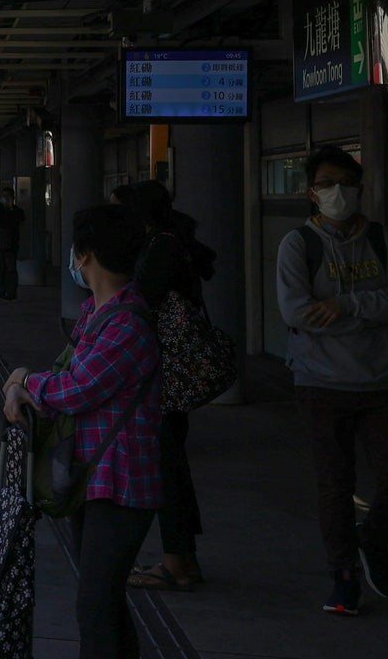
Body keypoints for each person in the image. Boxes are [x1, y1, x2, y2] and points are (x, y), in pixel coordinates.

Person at [3, 204, 160, 659]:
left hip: (122, 486)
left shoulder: (128, 324)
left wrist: (23, 381)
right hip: (92, 480)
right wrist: (27, 382)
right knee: (104, 603)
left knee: (94, 606)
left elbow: (77, 388)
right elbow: (64, 375)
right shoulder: (97, 313)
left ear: (86, 254)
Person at [276, 145, 388, 617]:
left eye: (345, 183)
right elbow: (296, 313)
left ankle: (372, 540)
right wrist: (374, 310)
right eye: (325, 184)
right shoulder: (299, 244)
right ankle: (343, 577)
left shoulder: (383, 239)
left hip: (380, 383)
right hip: (320, 382)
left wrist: (347, 306)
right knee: (335, 485)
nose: (336, 192)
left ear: (359, 188)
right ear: (311, 193)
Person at [123, 179, 216, 592]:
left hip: (164, 373)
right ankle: (183, 559)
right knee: (172, 462)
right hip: (173, 373)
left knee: (166, 467)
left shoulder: (160, 248)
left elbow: (140, 302)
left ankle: (176, 564)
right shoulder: (170, 241)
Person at [0, 188, 26, 302]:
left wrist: (10, 206)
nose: (5, 199)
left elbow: (19, 218)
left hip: (10, 245)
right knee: (0, 269)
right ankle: (1, 291)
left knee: (10, 269)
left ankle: (11, 293)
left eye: (7, 196)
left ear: (13, 198)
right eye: (3, 196)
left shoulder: (16, 211)